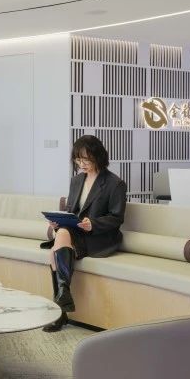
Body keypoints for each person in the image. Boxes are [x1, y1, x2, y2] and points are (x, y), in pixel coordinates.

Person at [40, 134, 126, 332]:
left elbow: (116, 218)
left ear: (98, 156)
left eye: (86, 160)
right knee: (61, 234)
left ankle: (61, 311)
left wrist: (92, 224)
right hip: (76, 232)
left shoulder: (115, 183)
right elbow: (71, 210)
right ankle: (63, 298)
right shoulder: (77, 180)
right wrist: (58, 222)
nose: (81, 164)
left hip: (99, 237)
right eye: (78, 160)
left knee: (54, 253)